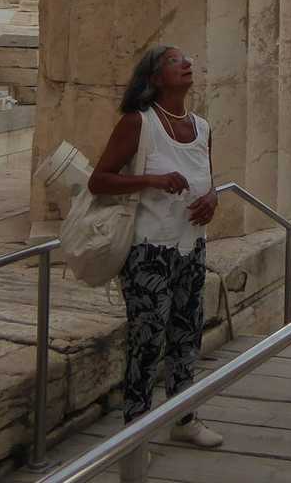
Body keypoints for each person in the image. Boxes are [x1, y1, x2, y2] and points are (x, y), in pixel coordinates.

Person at [88, 46, 223, 482]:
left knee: (186, 335)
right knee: (146, 343)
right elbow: (99, 180)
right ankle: (136, 432)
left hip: (190, 248)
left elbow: (209, 179)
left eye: (187, 60)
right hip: (149, 251)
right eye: (174, 61)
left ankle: (184, 417)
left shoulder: (201, 127)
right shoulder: (138, 123)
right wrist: (150, 179)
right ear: (156, 77)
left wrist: (212, 199)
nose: (186, 65)